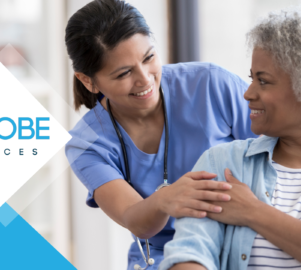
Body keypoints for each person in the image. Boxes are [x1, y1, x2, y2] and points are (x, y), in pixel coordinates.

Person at [160, 5, 301, 270]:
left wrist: (253, 212)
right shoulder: (222, 162)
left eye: (263, 81)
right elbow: (189, 254)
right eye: (251, 79)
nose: (248, 93)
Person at [64, 0, 257, 269]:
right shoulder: (87, 144)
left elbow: (278, 154)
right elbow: (137, 221)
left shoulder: (211, 84)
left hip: (246, 236)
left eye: (149, 58)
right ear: (88, 80)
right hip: (164, 256)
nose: (145, 79)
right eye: (124, 73)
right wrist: (164, 199)